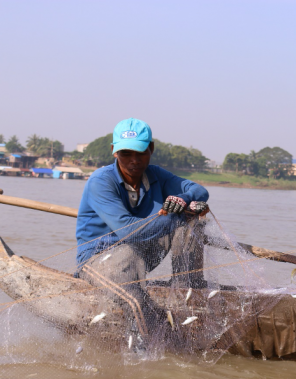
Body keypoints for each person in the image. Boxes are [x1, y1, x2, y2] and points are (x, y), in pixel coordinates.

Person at [76, 118, 210, 336]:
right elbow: (129, 231)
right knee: (135, 301)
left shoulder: (156, 175)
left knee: (193, 220)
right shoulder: (101, 181)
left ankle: (187, 290)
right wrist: (177, 216)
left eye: (140, 153)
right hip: (98, 259)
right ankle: (146, 353)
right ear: (114, 152)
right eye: (126, 153)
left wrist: (184, 199)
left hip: (138, 254)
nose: (134, 160)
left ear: (151, 149)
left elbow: (199, 190)